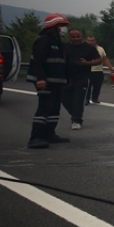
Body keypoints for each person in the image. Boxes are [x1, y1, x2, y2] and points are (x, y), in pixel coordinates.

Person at [27, 13, 72, 149]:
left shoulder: (58, 43)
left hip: (56, 82)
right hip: (45, 82)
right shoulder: (43, 41)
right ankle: (36, 137)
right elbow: (38, 62)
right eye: (61, 26)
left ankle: (49, 134)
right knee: (44, 109)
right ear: (53, 27)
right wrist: (40, 78)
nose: (63, 29)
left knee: (54, 109)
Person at [61, 28, 100, 130]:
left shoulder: (88, 48)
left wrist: (86, 63)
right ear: (69, 37)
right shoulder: (64, 46)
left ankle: (76, 120)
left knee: (78, 99)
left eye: (78, 36)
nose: (76, 38)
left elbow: (99, 60)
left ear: (81, 36)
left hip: (82, 77)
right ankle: (75, 114)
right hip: (65, 77)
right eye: (73, 37)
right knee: (64, 99)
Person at [85, 36, 114, 104]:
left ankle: (95, 98)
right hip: (88, 71)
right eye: (89, 41)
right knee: (88, 86)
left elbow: (105, 59)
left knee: (97, 85)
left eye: (92, 41)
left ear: (95, 41)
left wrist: (111, 67)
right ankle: (86, 99)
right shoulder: (85, 49)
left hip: (98, 70)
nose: (90, 42)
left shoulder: (100, 49)